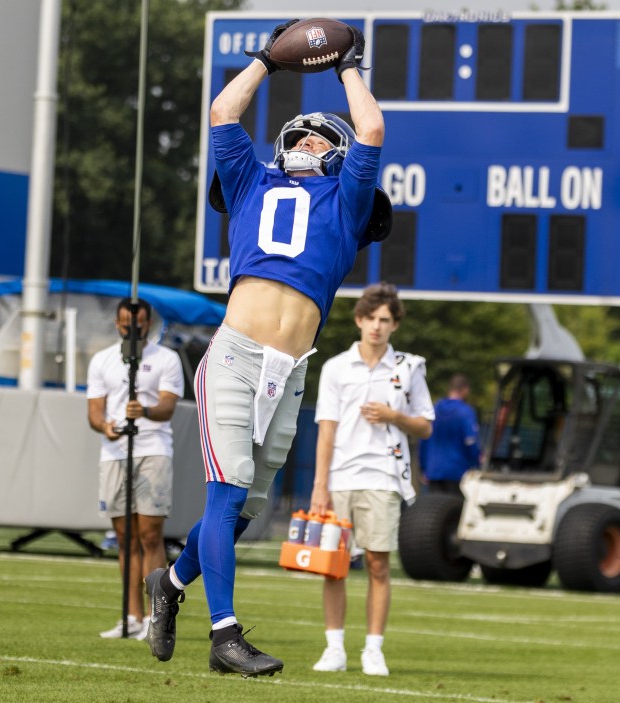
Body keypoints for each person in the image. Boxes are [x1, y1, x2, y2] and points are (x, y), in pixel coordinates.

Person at [144, 20, 391, 677]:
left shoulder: (344, 204)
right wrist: (266, 59)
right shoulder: (252, 184)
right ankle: (225, 635)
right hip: (234, 353)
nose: (310, 138)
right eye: (301, 131)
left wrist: (346, 65)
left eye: (321, 134)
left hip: (292, 370)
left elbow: (370, 129)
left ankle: (168, 585)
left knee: (244, 509)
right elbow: (224, 110)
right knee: (225, 499)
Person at [310, 283, 434, 676]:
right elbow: (326, 430)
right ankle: (334, 648)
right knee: (334, 566)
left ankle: (373, 649)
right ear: (359, 319)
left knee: (379, 564)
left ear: (395, 324)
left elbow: (426, 426)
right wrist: (319, 486)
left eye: (385, 320)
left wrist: (393, 415)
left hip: (383, 476)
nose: (377, 327)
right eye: (371, 319)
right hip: (341, 477)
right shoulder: (335, 367)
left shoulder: (408, 368)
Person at [87, 298, 184, 640]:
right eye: (128, 323)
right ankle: (130, 615)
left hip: (152, 450)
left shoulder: (166, 359)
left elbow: (168, 406)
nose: (133, 328)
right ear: (117, 323)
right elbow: (94, 413)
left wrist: (143, 410)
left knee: (150, 534)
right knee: (124, 536)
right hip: (115, 454)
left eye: (140, 323)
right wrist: (107, 426)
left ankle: (154, 618)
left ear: (148, 324)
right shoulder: (102, 360)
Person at [419, 374, 481, 496]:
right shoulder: (466, 412)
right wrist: (476, 463)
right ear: (465, 390)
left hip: (433, 470)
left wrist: (424, 467)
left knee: (434, 512)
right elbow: (471, 441)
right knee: (455, 512)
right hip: (458, 472)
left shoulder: (433, 410)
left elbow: (423, 440)